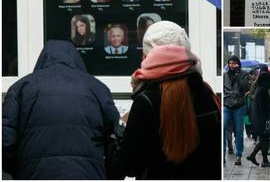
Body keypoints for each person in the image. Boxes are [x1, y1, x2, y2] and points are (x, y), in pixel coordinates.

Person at [108, 21, 221, 179]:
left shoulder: (147, 101)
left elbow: (130, 166)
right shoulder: (207, 93)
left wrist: (120, 136)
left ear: (147, 56)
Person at [2, 40, 120, 179]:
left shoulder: (21, 87)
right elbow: (115, 139)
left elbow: (6, 143)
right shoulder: (97, 88)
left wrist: (21, 171)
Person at [246, 71, 270, 168]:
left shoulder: (260, 89)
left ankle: (260, 159)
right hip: (263, 121)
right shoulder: (262, 91)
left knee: (264, 140)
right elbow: (264, 108)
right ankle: (259, 158)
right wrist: (267, 120)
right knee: (265, 140)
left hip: (260, 120)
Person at [223, 55, 250, 166]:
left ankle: (239, 154)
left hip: (239, 106)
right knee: (223, 128)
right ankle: (223, 153)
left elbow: (246, 88)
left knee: (239, 131)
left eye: (234, 63)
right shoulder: (225, 75)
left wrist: (238, 76)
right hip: (227, 105)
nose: (231, 65)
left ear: (238, 64)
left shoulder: (244, 74)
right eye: (230, 63)